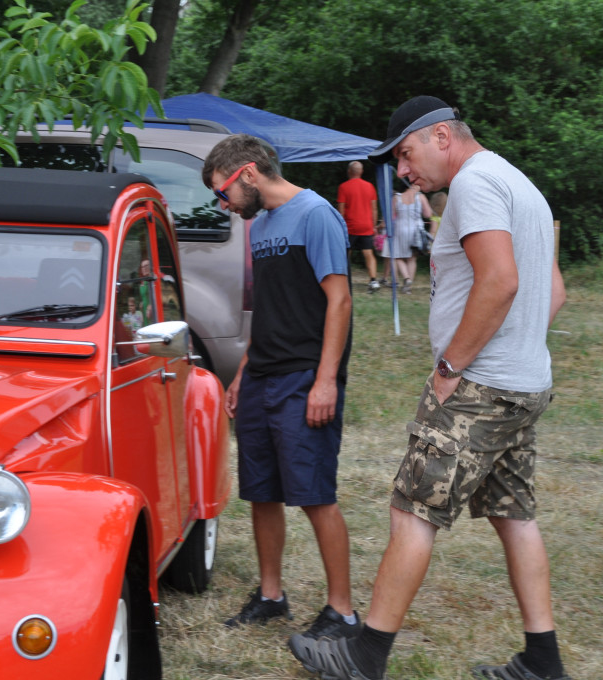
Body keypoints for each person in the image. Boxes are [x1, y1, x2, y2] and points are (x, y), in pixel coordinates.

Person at [288, 96, 570, 680]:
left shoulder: (474, 185)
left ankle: (365, 656)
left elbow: (500, 281)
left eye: (407, 155)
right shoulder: (523, 185)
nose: (405, 171)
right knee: (514, 515)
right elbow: (553, 293)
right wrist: (513, 350)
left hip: (479, 389)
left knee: (412, 512)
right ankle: (543, 662)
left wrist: (452, 369)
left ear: (442, 136)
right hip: (523, 383)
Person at [202, 134, 360, 641]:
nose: (223, 204)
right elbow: (269, 308)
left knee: (315, 495)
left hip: (304, 377)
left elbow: (339, 302)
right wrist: (243, 372)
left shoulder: (316, 215)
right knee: (262, 492)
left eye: (222, 192)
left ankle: (343, 612)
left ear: (248, 173)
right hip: (262, 377)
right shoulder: (261, 225)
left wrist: (325, 381)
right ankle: (272, 597)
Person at [337, 160, 380, 293]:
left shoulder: (344, 187)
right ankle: (373, 280)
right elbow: (374, 209)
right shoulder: (369, 186)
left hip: (350, 226)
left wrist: (339, 227)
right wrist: (374, 226)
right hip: (366, 225)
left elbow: (341, 211)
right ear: (361, 172)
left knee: (345, 253)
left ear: (349, 172)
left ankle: (342, 280)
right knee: (368, 253)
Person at [383, 182, 433, 293]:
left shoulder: (396, 198)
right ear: (413, 185)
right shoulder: (420, 197)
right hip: (416, 229)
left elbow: (391, 216)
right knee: (412, 258)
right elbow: (428, 214)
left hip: (400, 228)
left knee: (397, 256)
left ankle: (406, 278)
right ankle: (408, 287)